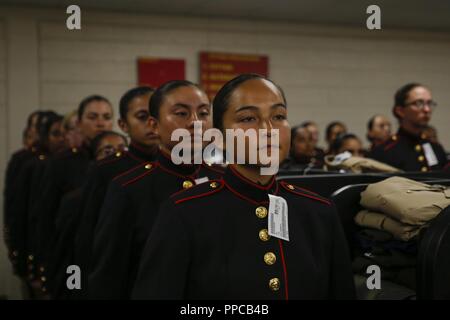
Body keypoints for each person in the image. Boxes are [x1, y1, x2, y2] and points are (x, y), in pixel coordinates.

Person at [132, 74, 355, 300]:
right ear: (219, 138)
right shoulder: (184, 213)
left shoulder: (319, 212)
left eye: (278, 116)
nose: (269, 128)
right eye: (248, 119)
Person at [88, 80, 224, 299]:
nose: (195, 123)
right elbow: (109, 274)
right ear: (154, 125)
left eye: (204, 113)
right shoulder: (129, 188)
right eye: (181, 113)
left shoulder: (223, 180)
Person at [72, 86, 159, 299]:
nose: (151, 124)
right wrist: (79, 288)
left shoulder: (181, 168)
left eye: (156, 116)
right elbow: (86, 234)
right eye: (141, 116)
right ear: (123, 125)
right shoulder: (107, 170)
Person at [30, 95, 114, 295]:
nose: (100, 123)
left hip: (108, 257)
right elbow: (45, 216)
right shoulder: (61, 163)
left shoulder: (121, 162)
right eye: (93, 117)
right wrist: (42, 269)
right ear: (79, 122)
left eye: (106, 116)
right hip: (70, 256)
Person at [45, 131, 128, 299]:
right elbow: (68, 254)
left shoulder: (134, 195)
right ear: (95, 159)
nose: (117, 157)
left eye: (122, 150)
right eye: (108, 151)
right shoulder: (75, 200)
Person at [369, 83, 448, 171]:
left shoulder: (436, 148)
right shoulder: (384, 152)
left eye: (429, 103)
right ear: (400, 111)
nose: (427, 109)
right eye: (419, 103)